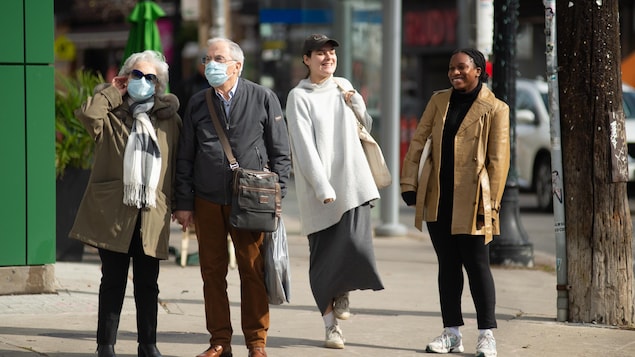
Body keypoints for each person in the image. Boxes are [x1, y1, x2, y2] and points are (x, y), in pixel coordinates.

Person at [173, 37, 291, 357]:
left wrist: (276, 197)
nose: (211, 64)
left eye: (219, 58)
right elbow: (185, 156)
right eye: (207, 58)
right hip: (207, 200)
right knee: (212, 273)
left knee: (253, 270)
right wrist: (183, 203)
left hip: (251, 200)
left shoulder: (263, 97)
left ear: (237, 65)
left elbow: (281, 153)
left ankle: (256, 342)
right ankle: (220, 342)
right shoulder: (198, 102)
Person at [69, 50, 182, 357]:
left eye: (150, 78)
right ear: (125, 78)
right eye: (136, 75)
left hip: (151, 212)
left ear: (158, 85)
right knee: (112, 281)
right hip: (113, 211)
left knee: (148, 285)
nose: (143, 82)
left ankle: (148, 345)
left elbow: (178, 167)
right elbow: (87, 114)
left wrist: (181, 205)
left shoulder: (170, 120)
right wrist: (112, 91)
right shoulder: (110, 114)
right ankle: (105, 345)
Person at [400, 48, 510, 357]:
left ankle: (487, 334)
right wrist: (409, 183)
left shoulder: (496, 109)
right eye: (451, 68)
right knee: (447, 267)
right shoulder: (438, 101)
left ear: (478, 70)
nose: (454, 73)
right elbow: (419, 141)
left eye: (461, 67)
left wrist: (491, 206)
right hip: (439, 198)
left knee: (477, 266)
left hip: (474, 200)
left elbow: (498, 163)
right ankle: (451, 333)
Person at [285, 34, 384, 350]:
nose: (327, 58)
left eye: (331, 53)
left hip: (354, 183)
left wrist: (358, 104)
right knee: (323, 261)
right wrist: (321, 185)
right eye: (319, 54)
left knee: (357, 246)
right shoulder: (298, 97)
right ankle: (331, 328)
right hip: (321, 191)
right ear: (306, 59)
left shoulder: (343, 85)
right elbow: (303, 147)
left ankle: (343, 292)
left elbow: (363, 126)